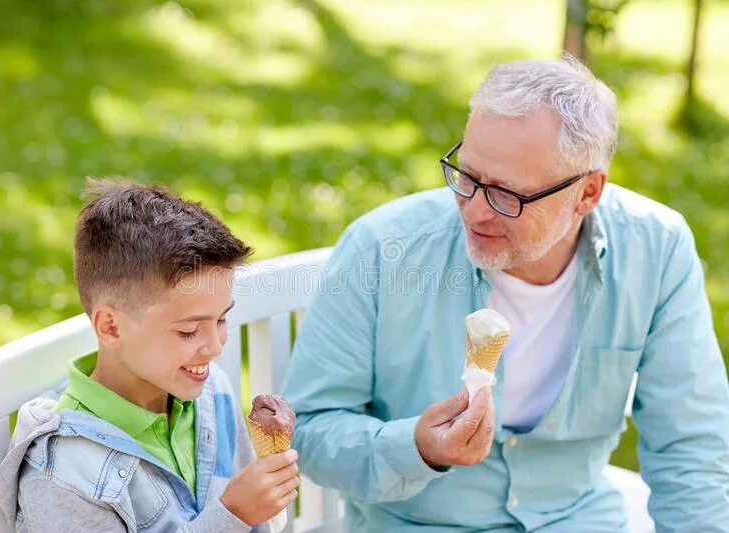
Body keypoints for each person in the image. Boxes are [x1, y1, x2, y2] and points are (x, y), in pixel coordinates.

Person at [281, 57, 729, 532]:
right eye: (467, 176)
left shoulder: (655, 249)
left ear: (587, 193)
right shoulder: (380, 249)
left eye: (505, 195)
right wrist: (415, 448)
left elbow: (690, 442)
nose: (473, 213)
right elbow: (309, 430)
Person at [0, 179, 299, 532]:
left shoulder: (213, 389)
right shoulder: (62, 476)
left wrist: (264, 499)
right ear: (110, 327)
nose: (215, 347)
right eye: (188, 331)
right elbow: (238, 515)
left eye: (222, 318)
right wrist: (233, 514)